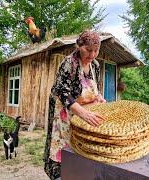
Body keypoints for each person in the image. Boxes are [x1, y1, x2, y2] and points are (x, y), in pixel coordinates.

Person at [43, 30, 106, 180]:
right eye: (88, 50)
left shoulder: (95, 66)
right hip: (64, 114)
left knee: (82, 148)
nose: (92, 55)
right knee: (63, 150)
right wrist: (84, 113)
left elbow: (94, 88)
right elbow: (61, 92)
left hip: (84, 115)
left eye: (96, 51)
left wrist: (99, 98)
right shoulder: (69, 63)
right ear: (79, 46)